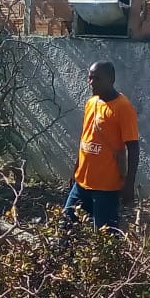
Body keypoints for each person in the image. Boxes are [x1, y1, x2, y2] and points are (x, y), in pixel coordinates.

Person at [63, 61, 140, 232]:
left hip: (106, 187)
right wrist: (75, 171)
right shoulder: (91, 103)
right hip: (82, 183)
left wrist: (129, 183)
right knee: (66, 227)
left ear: (110, 79)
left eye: (96, 78)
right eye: (90, 78)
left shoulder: (123, 107)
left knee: (106, 236)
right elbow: (85, 140)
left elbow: (133, 147)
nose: (91, 82)